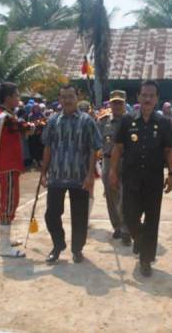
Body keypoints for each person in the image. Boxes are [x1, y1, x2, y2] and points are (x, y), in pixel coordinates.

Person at [109, 80, 172, 277]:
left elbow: (169, 151)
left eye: (151, 95)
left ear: (156, 99)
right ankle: (139, 239)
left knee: (152, 221)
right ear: (138, 97)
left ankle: (146, 260)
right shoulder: (127, 121)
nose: (147, 99)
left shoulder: (164, 123)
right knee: (129, 218)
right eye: (144, 95)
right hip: (131, 179)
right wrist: (113, 171)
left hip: (154, 181)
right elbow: (118, 148)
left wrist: (171, 174)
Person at [41, 84, 101, 264]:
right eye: (64, 97)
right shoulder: (52, 121)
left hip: (80, 177)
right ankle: (58, 245)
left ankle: (77, 249)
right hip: (56, 176)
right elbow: (47, 148)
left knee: (80, 216)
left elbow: (93, 149)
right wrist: (43, 173)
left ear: (77, 98)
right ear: (60, 99)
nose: (67, 100)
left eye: (70, 96)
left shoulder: (87, 121)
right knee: (51, 214)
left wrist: (91, 175)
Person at [0, 82, 27, 258]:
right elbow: (25, 128)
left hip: (10, 164)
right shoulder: (4, 118)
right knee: (8, 203)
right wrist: (43, 125)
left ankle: (7, 240)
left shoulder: (6, 116)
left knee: (12, 201)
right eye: (16, 95)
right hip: (7, 165)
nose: (18, 98)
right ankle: (4, 247)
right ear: (8, 98)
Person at [97, 90, 131, 245]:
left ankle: (126, 227)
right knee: (111, 196)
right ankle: (117, 225)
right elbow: (95, 141)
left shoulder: (132, 120)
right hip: (108, 161)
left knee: (126, 196)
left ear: (125, 103)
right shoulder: (103, 121)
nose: (117, 105)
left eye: (120, 102)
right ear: (110, 103)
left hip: (127, 162)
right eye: (114, 102)